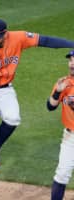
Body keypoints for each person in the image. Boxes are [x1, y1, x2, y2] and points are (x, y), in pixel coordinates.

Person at [0, 18, 74, 172]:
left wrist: (72, 44)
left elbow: (45, 40)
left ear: (5, 34)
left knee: (13, 119)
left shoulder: (18, 38)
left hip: (6, 89)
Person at [47, 50, 74, 200]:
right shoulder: (65, 83)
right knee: (62, 173)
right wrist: (57, 92)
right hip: (70, 137)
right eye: (70, 60)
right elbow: (50, 106)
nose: (72, 63)